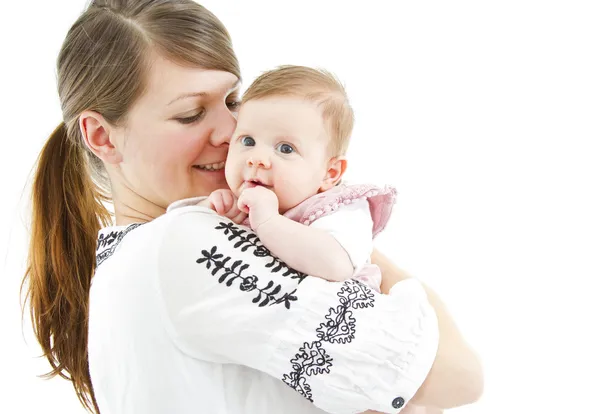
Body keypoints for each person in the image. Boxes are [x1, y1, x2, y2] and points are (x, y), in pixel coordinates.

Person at [22, 1, 483, 413]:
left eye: (232, 101)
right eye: (190, 113)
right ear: (102, 136)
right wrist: (333, 220)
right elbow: (456, 376)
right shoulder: (179, 244)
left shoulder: (139, 260)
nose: (232, 129)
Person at [198, 64, 395, 293]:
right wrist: (208, 210)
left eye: (285, 148)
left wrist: (269, 222)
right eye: (248, 141)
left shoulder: (340, 209)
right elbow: (180, 231)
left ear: (330, 173)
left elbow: (337, 265)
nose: (257, 159)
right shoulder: (238, 201)